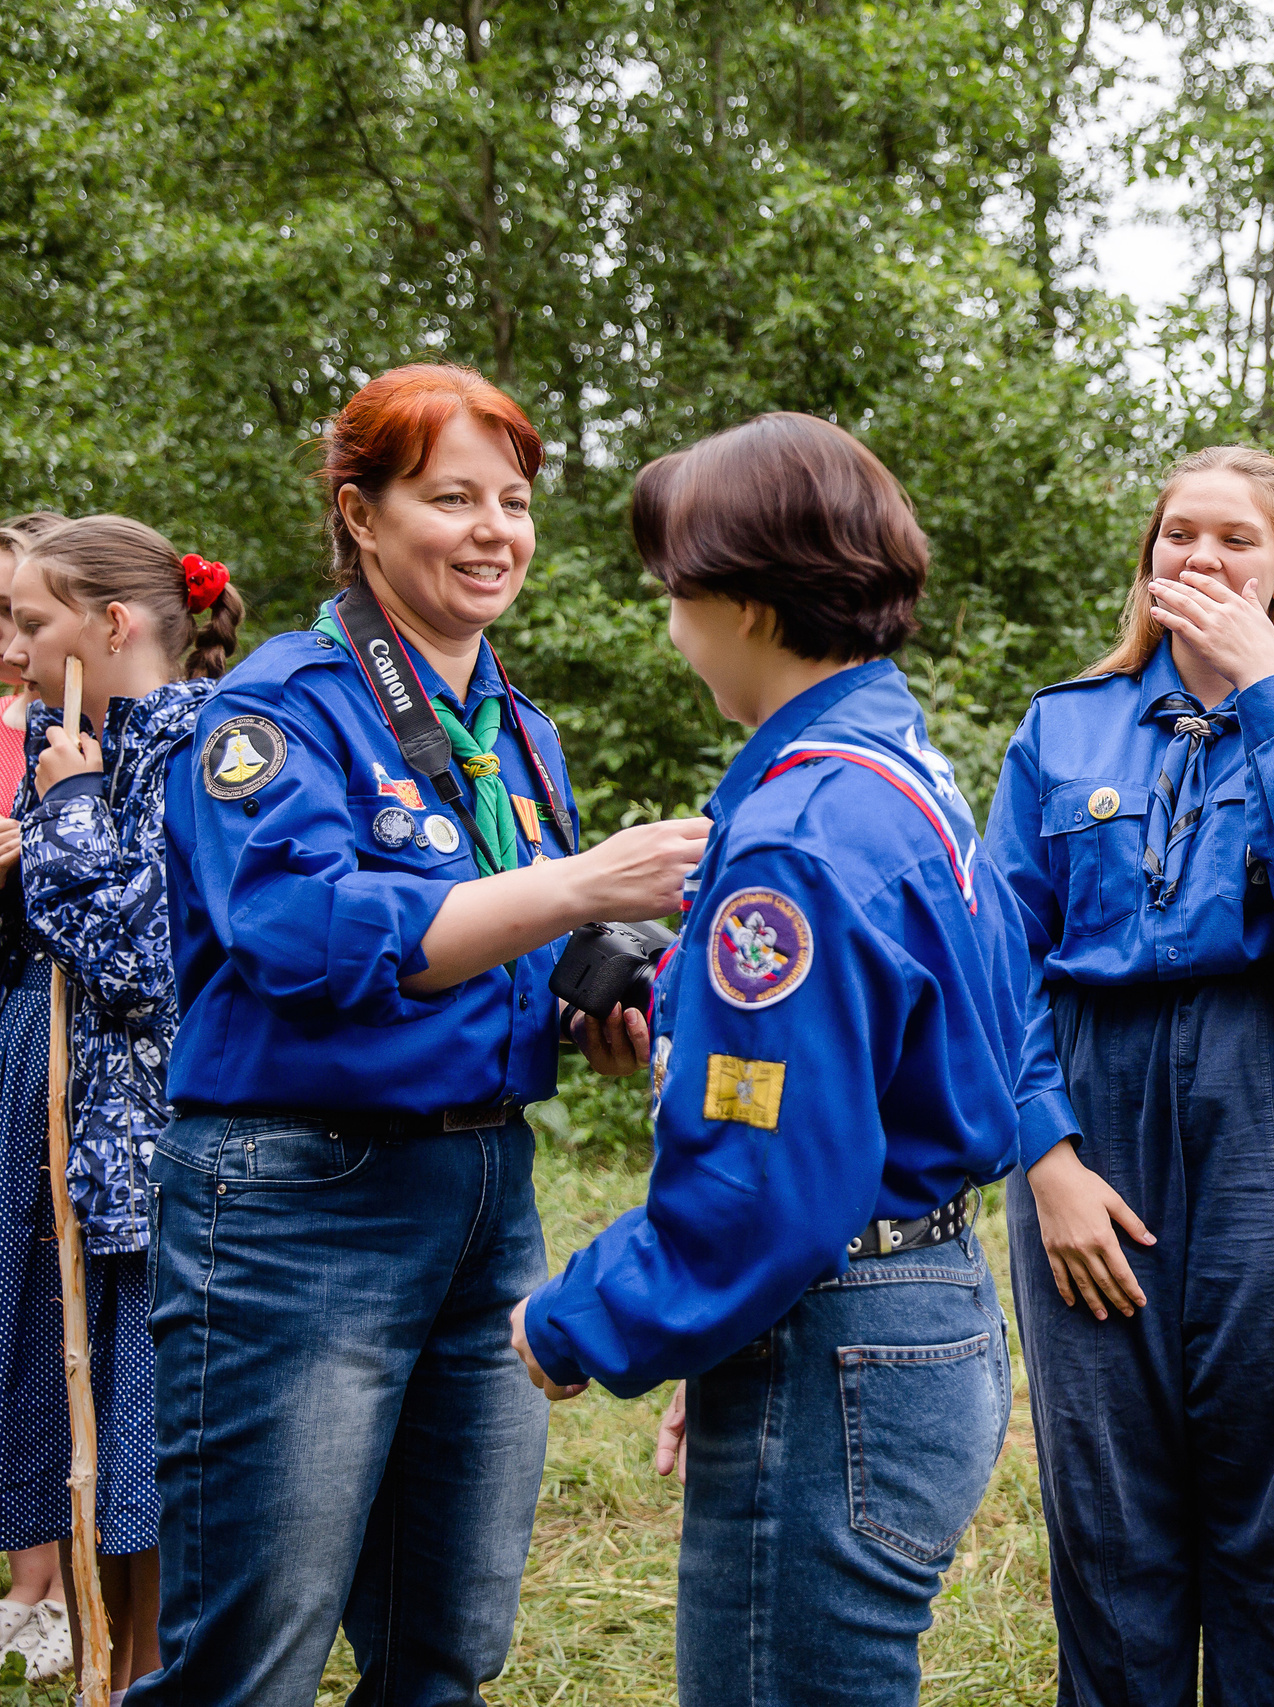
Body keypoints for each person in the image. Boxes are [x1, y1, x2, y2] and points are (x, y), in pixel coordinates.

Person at [133, 364, 707, 1707]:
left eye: (513, 500)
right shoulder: (280, 707)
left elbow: (500, 936)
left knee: (448, 1643)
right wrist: (582, 882)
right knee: (250, 1658)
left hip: (486, 1198)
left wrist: (592, 997)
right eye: (452, 496)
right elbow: (303, 936)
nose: (495, 528)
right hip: (296, 1203)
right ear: (362, 512)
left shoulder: (517, 728)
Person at [510, 412, 1029, 1705]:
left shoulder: (797, 834)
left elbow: (764, 1183)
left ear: (741, 599)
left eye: (676, 592)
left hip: (839, 1324)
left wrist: (575, 1321)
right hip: (902, 1307)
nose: (671, 625)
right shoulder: (894, 774)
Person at [986, 445, 1274, 1705]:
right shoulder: (1061, 724)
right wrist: (1044, 1155)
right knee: (1107, 1503)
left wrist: (1268, 693)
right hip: (1089, 1092)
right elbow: (996, 952)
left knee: (1271, 1500)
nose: (1202, 560)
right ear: (1147, 559)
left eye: (1237, 541)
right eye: (1180, 535)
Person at [4, 514, 245, 1695]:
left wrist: (63, 814)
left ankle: (156, 1671)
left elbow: (150, 967)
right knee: (118, 1458)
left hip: (167, 1163)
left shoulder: (198, 743)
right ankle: (122, 1667)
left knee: (157, 1461)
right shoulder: (98, 743)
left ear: (109, 625)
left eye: (31, 622)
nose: (15, 645)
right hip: (104, 1163)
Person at [0, 512, 73, 1683]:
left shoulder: (81, 730)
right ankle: (29, 1575)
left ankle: (61, 1578)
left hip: (54, 1014)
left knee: (58, 1286)